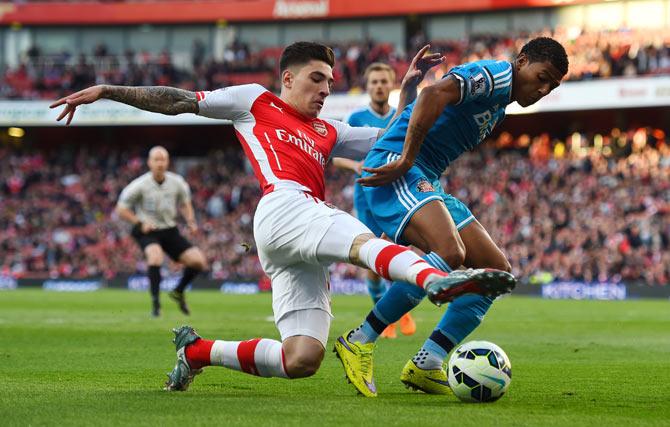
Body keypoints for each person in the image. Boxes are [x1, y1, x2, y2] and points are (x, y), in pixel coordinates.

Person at [50, 42, 515, 392]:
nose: (325, 89)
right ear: (287, 79)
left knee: (302, 359)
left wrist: (411, 89)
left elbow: (390, 138)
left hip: (295, 237)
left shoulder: (328, 130)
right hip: (284, 205)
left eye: (330, 82)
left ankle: (198, 351)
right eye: (317, 79)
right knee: (360, 241)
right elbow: (178, 99)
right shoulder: (256, 101)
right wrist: (109, 91)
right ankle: (431, 280)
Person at [334, 37, 568, 397]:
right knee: (449, 251)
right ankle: (359, 340)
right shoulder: (496, 76)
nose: (543, 88)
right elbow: (432, 96)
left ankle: (427, 363)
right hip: (399, 169)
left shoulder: (501, 104)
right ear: (521, 61)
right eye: (542, 76)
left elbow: (416, 110)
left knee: (496, 272)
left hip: (426, 178)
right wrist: (407, 159)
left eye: (552, 85)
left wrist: (406, 92)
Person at [332, 62, 415, 339]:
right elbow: (336, 154)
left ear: (392, 85)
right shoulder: (356, 118)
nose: (379, 86)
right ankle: (386, 315)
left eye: (383, 81)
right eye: (374, 82)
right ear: (367, 87)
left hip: (396, 194)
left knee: (398, 254)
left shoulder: (401, 115)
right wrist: (354, 166)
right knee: (373, 261)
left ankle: (398, 311)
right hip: (366, 197)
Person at [116, 146, 207, 317]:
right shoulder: (139, 185)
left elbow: (185, 203)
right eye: (156, 160)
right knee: (155, 256)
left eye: (163, 159)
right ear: (149, 163)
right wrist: (139, 222)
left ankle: (178, 291)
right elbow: (121, 209)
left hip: (169, 230)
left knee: (198, 262)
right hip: (147, 230)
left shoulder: (177, 182)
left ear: (167, 162)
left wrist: (191, 221)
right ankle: (156, 305)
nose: (160, 163)